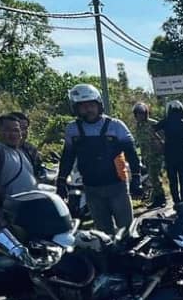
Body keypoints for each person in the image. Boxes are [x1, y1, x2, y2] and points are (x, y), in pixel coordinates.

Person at [57, 84, 142, 235]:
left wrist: (136, 178)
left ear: (99, 105)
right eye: (83, 106)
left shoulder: (116, 126)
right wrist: (61, 181)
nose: (88, 110)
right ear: (75, 109)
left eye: (91, 105)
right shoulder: (72, 129)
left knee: (126, 231)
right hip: (91, 189)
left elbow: (131, 153)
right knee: (103, 234)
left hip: (117, 186)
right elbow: (67, 157)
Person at [0, 115, 40, 229]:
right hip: (9, 214)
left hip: (28, 209)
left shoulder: (22, 152)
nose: (12, 134)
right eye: (7, 130)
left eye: (16, 130)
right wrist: (2, 199)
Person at [153, 101, 183, 205]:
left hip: (170, 155)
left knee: (173, 180)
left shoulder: (165, 122)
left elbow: (152, 129)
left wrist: (159, 141)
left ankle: (176, 202)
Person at [132, 102, 166, 209]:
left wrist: (159, 144)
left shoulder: (153, 123)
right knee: (151, 178)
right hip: (146, 156)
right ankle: (156, 198)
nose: (140, 116)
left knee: (155, 177)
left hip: (156, 156)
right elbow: (140, 142)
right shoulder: (138, 126)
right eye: (137, 114)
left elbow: (164, 139)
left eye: (142, 113)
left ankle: (161, 199)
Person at [9, 111, 45, 179]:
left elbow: (40, 171)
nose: (22, 132)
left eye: (25, 128)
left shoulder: (31, 150)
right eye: (18, 129)